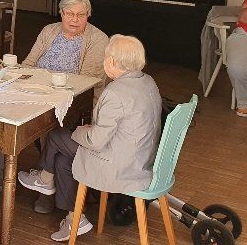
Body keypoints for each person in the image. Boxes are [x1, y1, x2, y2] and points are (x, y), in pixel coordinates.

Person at [17, 35, 162, 242]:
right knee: (63, 160)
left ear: (111, 61)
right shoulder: (148, 82)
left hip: (117, 165)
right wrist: (92, 130)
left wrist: (80, 131)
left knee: (57, 136)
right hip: (138, 157)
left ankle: (45, 179)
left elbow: (96, 142)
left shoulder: (115, 92)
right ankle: (74, 219)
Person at [3, 0, 110, 204]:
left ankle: (46, 191)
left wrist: (45, 86)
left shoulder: (98, 39)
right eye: (69, 14)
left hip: (73, 102)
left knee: (52, 124)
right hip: (37, 93)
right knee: (6, 113)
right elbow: (28, 64)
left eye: (80, 15)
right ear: (61, 13)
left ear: (88, 15)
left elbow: (87, 82)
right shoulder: (49, 31)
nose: (74, 19)